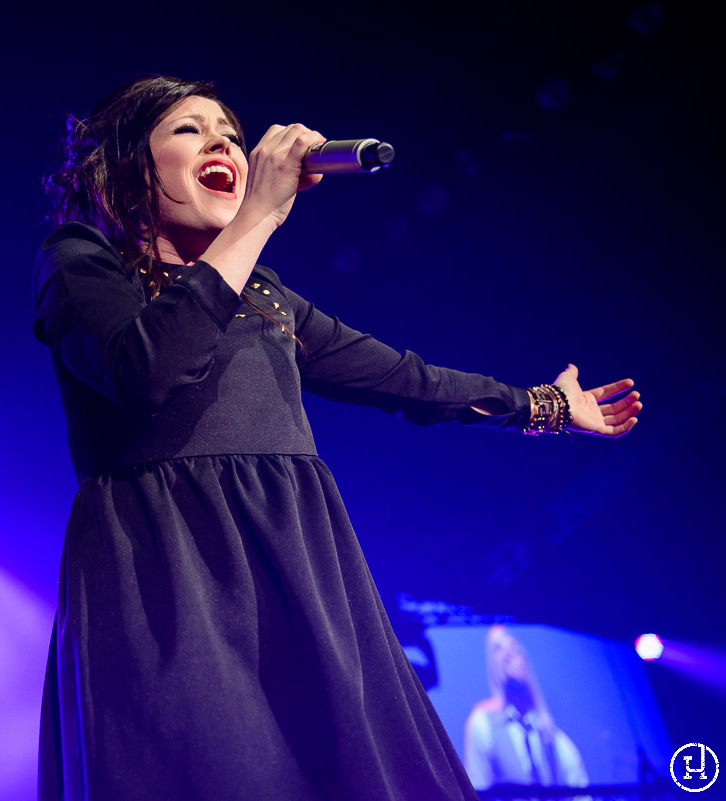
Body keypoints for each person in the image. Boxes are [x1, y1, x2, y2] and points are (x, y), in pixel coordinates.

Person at [31, 76, 640, 801]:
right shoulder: (79, 262)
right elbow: (144, 369)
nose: (224, 139)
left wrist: (539, 404)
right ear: (133, 166)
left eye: (229, 129)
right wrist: (255, 217)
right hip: (171, 571)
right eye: (190, 129)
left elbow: (407, 379)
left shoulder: (266, 296)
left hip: (298, 564)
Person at [463, 626, 590, 790]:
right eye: (497, 649)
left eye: (513, 647)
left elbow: (580, 790)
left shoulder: (553, 738)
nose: (507, 655)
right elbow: (477, 788)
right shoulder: (482, 725)